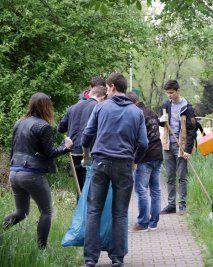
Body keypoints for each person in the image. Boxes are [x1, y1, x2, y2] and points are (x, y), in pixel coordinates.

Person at [81, 72, 148, 267]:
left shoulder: (101, 107)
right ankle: (117, 259)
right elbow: (143, 143)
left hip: (100, 162)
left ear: (111, 87)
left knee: (94, 210)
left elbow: (86, 135)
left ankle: (90, 260)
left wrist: (87, 152)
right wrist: (134, 160)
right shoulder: (136, 112)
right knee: (120, 213)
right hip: (124, 164)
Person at [2, 92, 73, 249]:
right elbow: (50, 153)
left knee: (21, 213)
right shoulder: (43, 126)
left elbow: (12, 149)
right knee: (46, 211)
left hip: (14, 172)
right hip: (32, 174)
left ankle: (1, 232)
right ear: (45, 107)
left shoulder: (19, 122)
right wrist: (66, 147)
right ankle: (42, 249)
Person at [58, 85, 107, 192]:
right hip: (90, 152)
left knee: (79, 190)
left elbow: (60, 128)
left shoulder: (72, 107)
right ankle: (87, 208)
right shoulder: (98, 108)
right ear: (103, 97)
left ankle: (79, 208)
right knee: (89, 189)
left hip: (74, 152)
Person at [125, 92, 163, 232]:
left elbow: (139, 139)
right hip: (158, 154)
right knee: (155, 190)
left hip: (145, 156)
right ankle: (154, 223)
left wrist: (134, 157)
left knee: (141, 190)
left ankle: (142, 223)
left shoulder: (137, 114)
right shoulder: (151, 112)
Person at [158, 80, 196, 215]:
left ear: (178, 91)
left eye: (171, 93)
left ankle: (182, 205)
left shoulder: (188, 107)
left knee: (182, 176)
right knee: (169, 176)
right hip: (168, 144)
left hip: (181, 145)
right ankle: (171, 204)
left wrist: (187, 150)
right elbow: (163, 125)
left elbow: (192, 131)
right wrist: (161, 121)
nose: (169, 95)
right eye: (167, 93)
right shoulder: (165, 105)